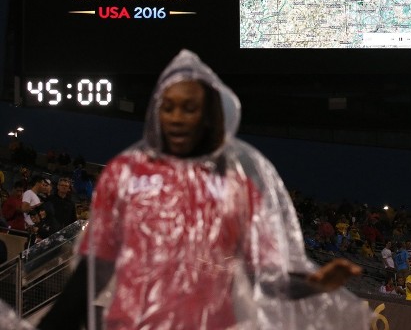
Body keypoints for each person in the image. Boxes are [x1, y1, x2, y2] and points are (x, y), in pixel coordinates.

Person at [38, 50, 368, 330]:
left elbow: (263, 276)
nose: (177, 118)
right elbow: (96, 268)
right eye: (169, 107)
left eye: (189, 107)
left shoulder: (236, 187)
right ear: (157, 111)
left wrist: (315, 284)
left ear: (208, 115)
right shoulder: (125, 175)